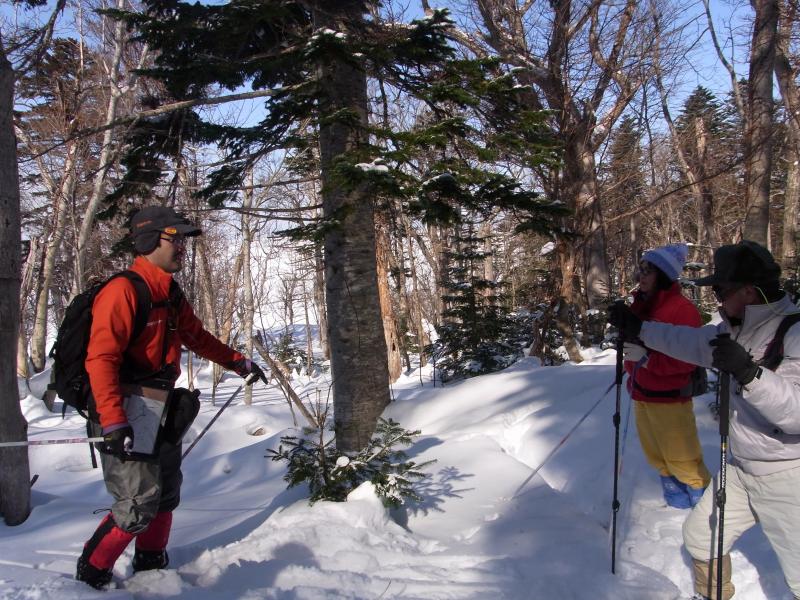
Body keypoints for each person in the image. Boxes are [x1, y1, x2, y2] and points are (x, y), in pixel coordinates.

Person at [76, 206, 267, 589]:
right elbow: (101, 360)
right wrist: (113, 420)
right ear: (149, 241)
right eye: (174, 238)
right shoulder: (122, 292)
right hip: (125, 410)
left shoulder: (170, 293)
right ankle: (89, 577)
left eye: (183, 239)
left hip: (161, 406)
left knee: (165, 491)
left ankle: (151, 567)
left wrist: (238, 363)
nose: (182, 246)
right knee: (136, 504)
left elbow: (197, 337)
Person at [609, 240, 800, 600]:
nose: (716, 297)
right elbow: (687, 342)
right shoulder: (734, 328)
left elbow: (796, 413)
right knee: (700, 538)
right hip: (742, 468)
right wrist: (639, 328)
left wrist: (749, 373)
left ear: (747, 289)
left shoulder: (794, 333)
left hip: (787, 474)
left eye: (720, 289)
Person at [622, 243, 711, 509]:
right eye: (641, 270)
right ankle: (675, 497)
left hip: (670, 398)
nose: (643, 276)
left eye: (649, 271)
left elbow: (686, 360)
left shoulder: (681, 310)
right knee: (656, 454)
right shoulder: (641, 305)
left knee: (682, 456)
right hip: (641, 393)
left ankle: (702, 500)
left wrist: (646, 360)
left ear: (663, 274)